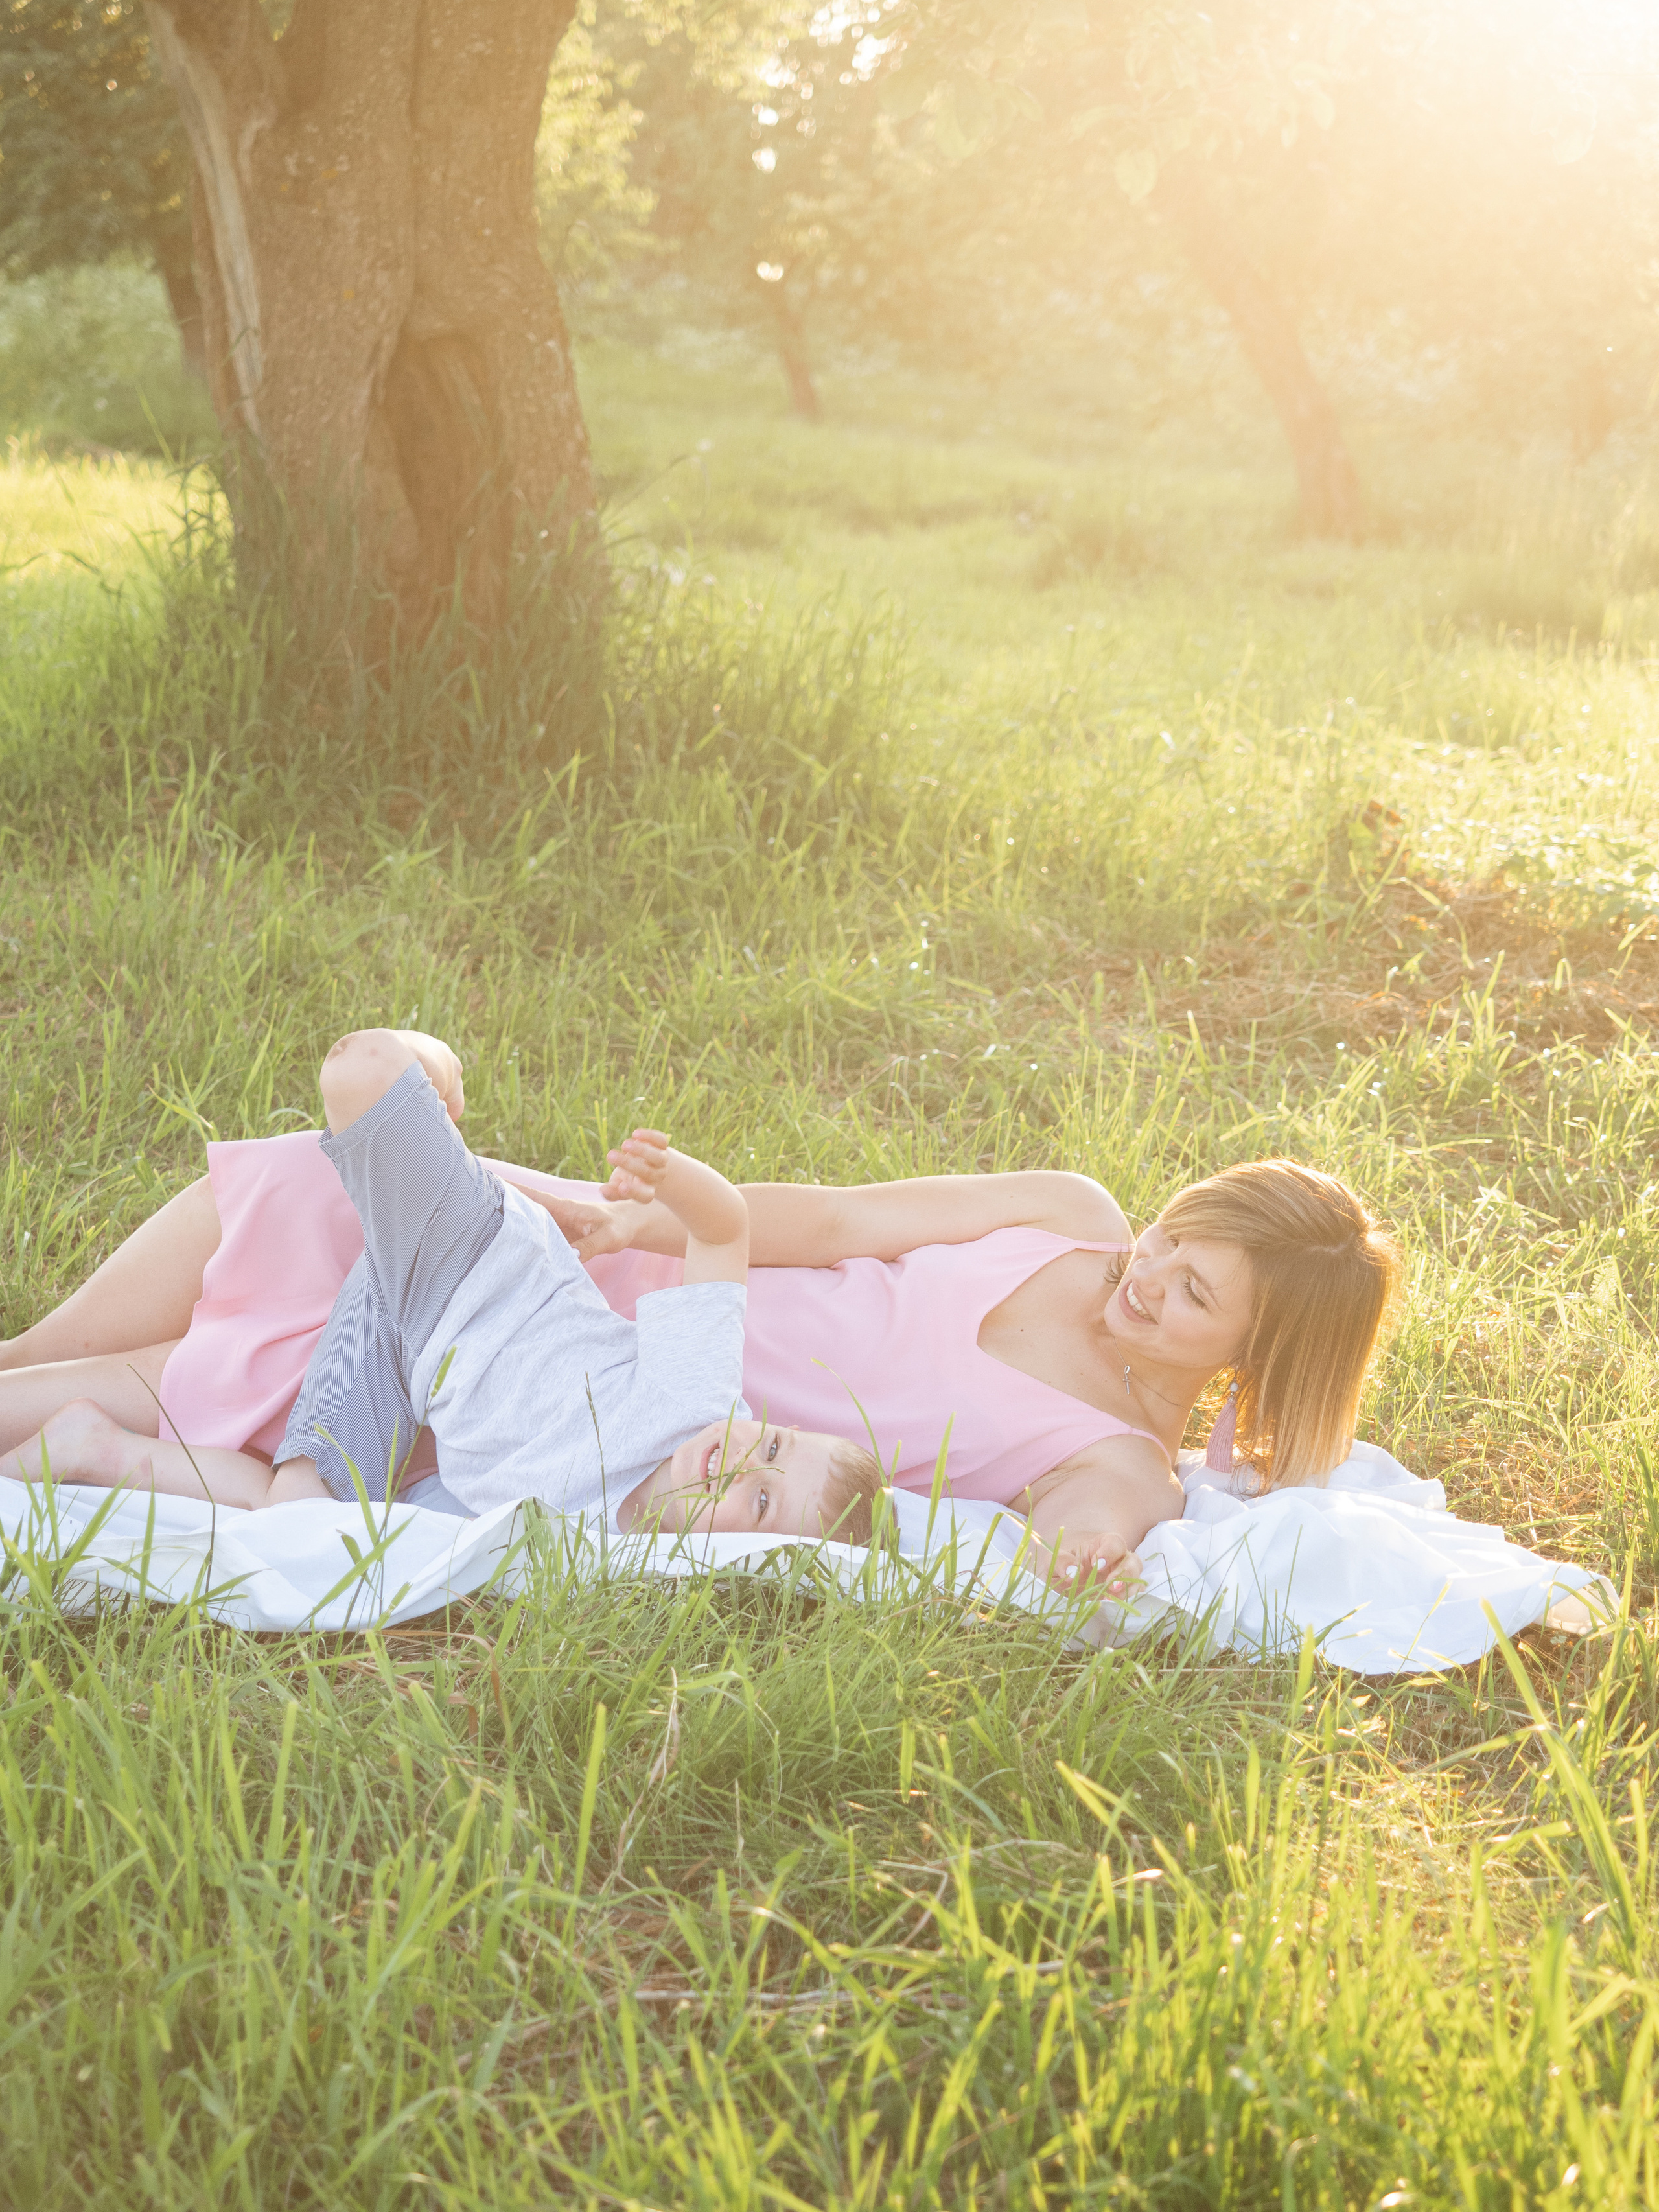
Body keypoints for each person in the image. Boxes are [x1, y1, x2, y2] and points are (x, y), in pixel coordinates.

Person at [0, 1034, 1401, 1587]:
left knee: (179, 1370)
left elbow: (1083, 1544)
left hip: (601, 1406)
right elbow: (837, 1219)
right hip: (625, 1301)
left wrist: (1103, 1553)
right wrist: (602, 1207)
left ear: (1253, 1351)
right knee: (317, 1189)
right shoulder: (1072, 1214)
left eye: (1191, 1289)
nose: (1145, 1271)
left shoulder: (1113, 1461)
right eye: (1171, 1234)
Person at [3, 1029, 881, 1549]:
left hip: (405, 1348)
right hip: (473, 1257)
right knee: (360, 1069)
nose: (738, 1458)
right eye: (768, 1445)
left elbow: (423, 1536)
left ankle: (91, 1449)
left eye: (759, 1499)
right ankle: (435, 1066)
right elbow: (724, 1230)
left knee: (305, 1523)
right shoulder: (694, 1398)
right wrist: (673, 1177)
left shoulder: (586, 1550)